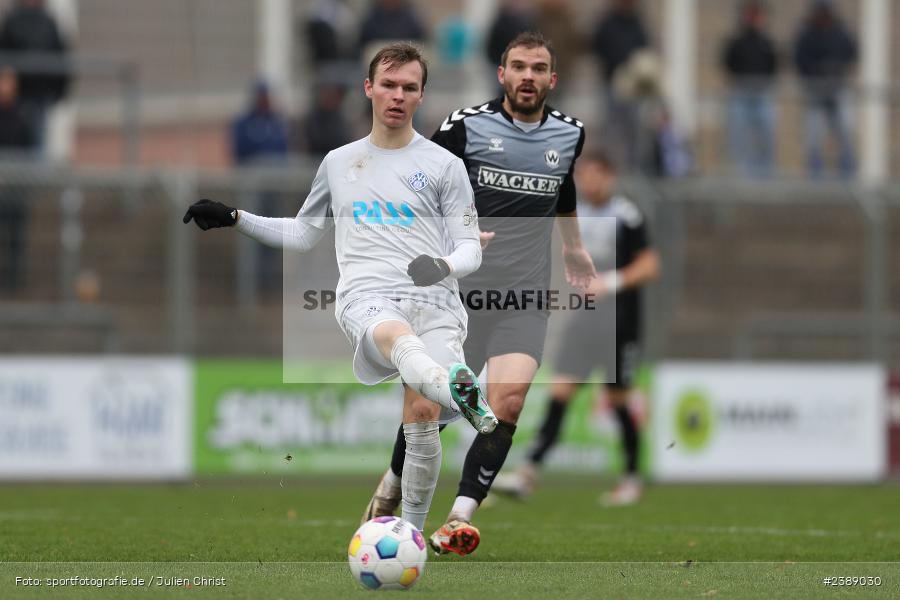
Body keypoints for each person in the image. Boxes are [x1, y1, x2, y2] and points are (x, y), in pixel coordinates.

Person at [183, 43, 498, 532]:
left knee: (421, 410)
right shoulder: (338, 162)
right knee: (395, 337)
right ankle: (463, 393)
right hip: (368, 297)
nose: (397, 96)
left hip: (436, 301)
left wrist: (441, 265)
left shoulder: (444, 166)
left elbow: (469, 250)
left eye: (409, 87)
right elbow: (304, 232)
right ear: (368, 88)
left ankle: (410, 536)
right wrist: (235, 217)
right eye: (388, 85)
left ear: (421, 95)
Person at [362, 32, 595, 556]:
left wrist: (574, 247)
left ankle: (459, 518)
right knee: (429, 408)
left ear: (552, 79)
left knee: (507, 401)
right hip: (458, 295)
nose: (528, 76)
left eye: (538, 68)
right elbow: (419, 185)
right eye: (519, 66)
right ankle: (392, 483)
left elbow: (564, 187)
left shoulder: (570, 133)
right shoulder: (464, 127)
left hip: (524, 295)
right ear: (502, 74)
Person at [493, 150, 659, 505]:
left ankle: (631, 478)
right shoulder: (574, 213)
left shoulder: (626, 215)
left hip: (619, 322)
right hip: (584, 318)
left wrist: (609, 283)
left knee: (617, 400)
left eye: (596, 174)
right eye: (583, 175)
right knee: (560, 393)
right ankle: (527, 472)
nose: (588, 181)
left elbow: (649, 266)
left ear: (610, 176)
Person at [793, 0, 857, 179]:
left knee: (845, 130)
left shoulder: (841, 33)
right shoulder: (807, 35)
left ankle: (847, 176)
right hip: (815, 90)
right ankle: (815, 178)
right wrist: (817, 70)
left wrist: (836, 68)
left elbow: (851, 53)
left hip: (837, 88)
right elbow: (800, 60)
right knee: (814, 135)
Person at [0, 0, 71, 154]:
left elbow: (59, 55)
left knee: (37, 142)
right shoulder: (13, 21)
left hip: (40, 95)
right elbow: (5, 54)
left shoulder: (48, 22)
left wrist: (58, 91)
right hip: (15, 97)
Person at [722, 0, 779, 178]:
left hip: (762, 92)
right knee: (737, 134)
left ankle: (765, 173)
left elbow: (774, 65)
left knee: (767, 132)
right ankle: (739, 174)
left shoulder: (767, 42)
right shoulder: (737, 42)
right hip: (741, 92)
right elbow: (729, 63)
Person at [591, 0, 649, 170]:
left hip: (634, 86)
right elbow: (598, 46)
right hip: (611, 83)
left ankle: (634, 168)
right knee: (611, 129)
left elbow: (644, 49)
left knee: (634, 129)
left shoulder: (637, 24)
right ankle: (609, 167)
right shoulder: (607, 24)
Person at [0, 66, 35, 293]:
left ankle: (13, 279)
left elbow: (29, 149)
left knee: (15, 235)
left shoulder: (22, 115)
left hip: (15, 187)